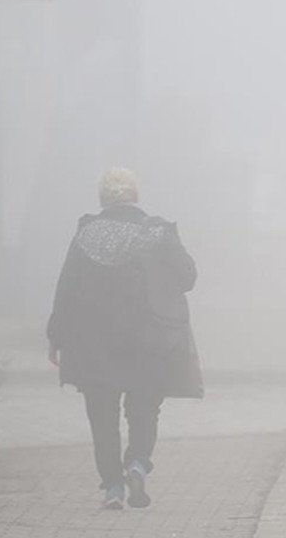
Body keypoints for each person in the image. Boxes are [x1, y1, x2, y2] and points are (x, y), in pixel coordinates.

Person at [47, 167, 203, 510]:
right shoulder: (158, 233)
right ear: (135, 196)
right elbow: (188, 277)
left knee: (102, 416)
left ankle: (113, 488)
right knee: (144, 409)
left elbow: (67, 289)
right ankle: (137, 463)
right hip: (148, 342)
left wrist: (55, 336)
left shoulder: (86, 236)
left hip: (94, 344)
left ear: (102, 199)